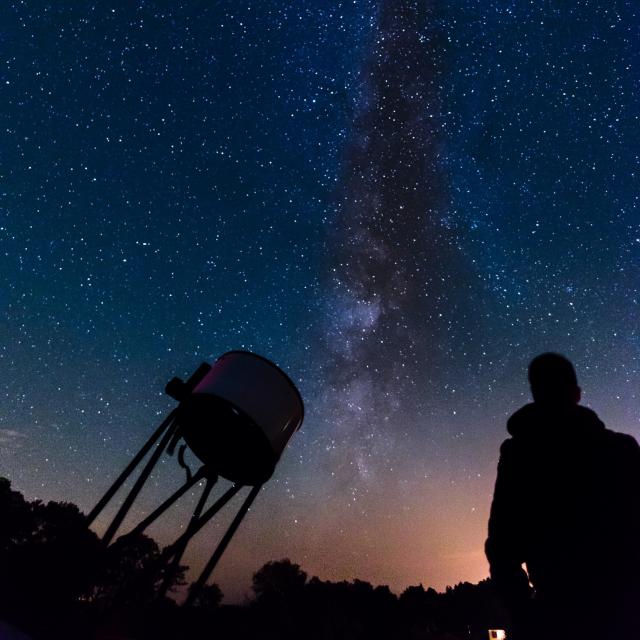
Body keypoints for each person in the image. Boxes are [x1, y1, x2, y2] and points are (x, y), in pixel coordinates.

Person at [486, 353, 640, 640]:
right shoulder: (621, 451)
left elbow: (502, 550)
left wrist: (527, 616)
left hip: (556, 616)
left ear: (535, 394)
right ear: (578, 395)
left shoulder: (520, 457)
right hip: (623, 615)